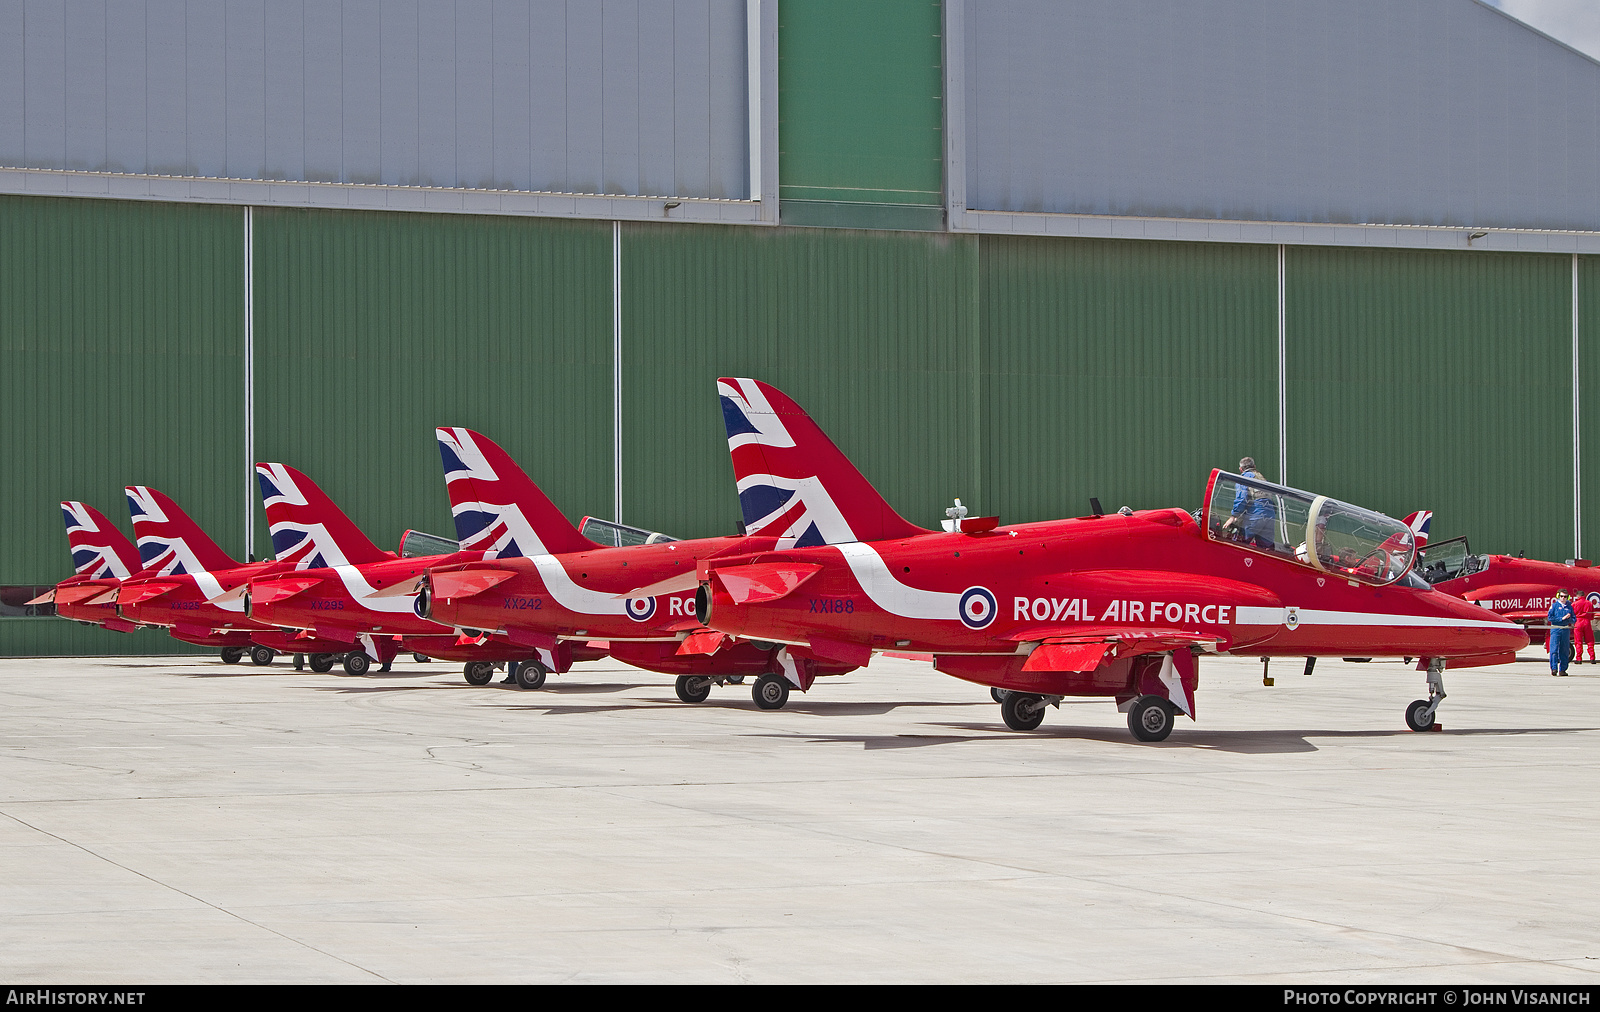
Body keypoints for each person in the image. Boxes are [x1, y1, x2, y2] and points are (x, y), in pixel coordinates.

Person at [1223, 457, 1277, 551]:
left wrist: (1234, 516)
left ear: (1241, 469)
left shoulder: (1243, 478)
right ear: (1254, 466)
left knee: (1240, 546)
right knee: (1266, 551)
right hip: (1270, 515)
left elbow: (1241, 498)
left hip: (1255, 515)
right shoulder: (1262, 478)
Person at [1547, 590, 1575, 676]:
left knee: (1565, 650)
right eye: (1562, 596)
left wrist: (1568, 619)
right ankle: (1554, 668)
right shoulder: (1554, 606)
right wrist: (1561, 619)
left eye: (1565, 597)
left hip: (1565, 629)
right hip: (1556, 629)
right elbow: (1550, 618)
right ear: (1558, 596)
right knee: (1554, 649)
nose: (1563, 598)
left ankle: (1563, 669)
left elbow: (1574, 619)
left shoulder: (1569, 607)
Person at [1574, 593, 1596, 664]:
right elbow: (1592, 614)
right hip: (1587, 622)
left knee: (1578, 641)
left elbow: (1572, 613)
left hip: (1578, 622)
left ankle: (1579, 658)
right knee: (1590, 641)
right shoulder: (1589, 603)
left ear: (1578, 596)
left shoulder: (1575, 604)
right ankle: (1592, 658)